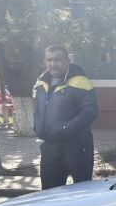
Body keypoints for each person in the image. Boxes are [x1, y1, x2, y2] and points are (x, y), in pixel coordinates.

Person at [33, 45, 98, 189]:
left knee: (82, 190)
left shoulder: (80, 81)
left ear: (67, 61)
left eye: (57, 60)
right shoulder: (41, 82)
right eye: (49, 60)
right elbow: (38, 108)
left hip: (76, 145)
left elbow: (90, 111)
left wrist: (65, 129)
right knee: (49, 193)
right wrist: (37, 126)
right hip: (50, 146)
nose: (52, 64)